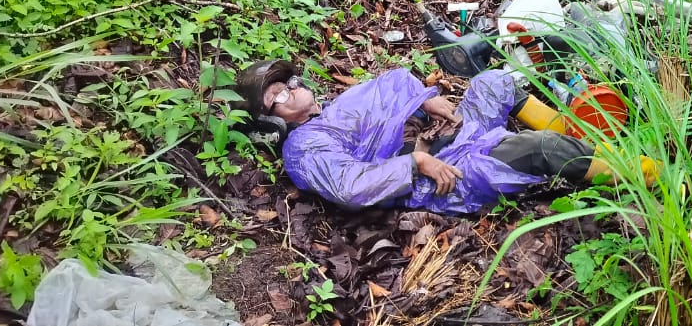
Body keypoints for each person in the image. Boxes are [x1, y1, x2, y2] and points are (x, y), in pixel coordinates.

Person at [235, 62, 652, 216]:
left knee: (494, 81)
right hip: (439, 175)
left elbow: (383, 102)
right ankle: (650, 176)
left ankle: (573, 131)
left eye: (287, 82)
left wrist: (424, 102)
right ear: (270, 121)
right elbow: (349, 186)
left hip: (452, 134)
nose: (291, 91)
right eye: (277, 97)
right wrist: (416, 163)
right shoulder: (304, 148)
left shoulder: (331, 109)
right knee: (538, 150)